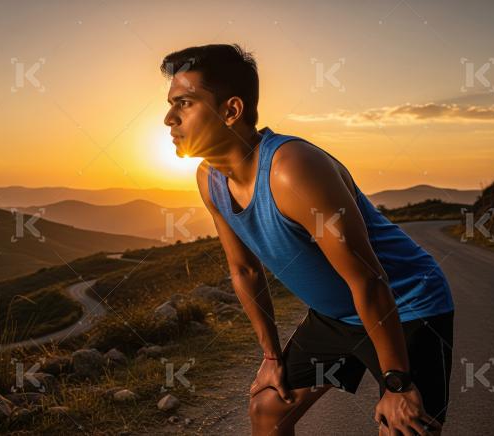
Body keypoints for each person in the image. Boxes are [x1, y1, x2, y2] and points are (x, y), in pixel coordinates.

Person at [161, 44, 455, 436]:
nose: (168, 118)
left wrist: (396, 383)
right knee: (268, 407)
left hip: (405, 308)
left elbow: (367, 278)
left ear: (231, 110)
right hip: (336, 317)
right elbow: (244, 269)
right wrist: (271, 356)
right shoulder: (209, 179)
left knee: (402, 425)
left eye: (184, 103)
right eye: (170, 105)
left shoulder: (292, 169)